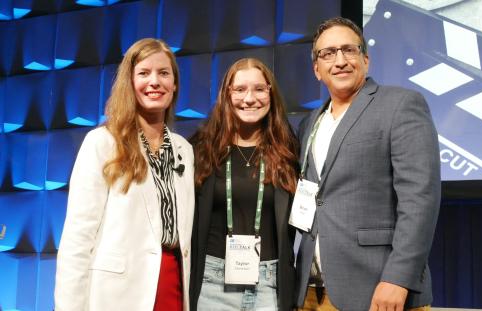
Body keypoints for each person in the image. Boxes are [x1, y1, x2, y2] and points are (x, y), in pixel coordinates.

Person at [293, 17, 441, 311]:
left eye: (349, 50)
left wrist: (399, 279)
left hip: (379, 290)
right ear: (317, 70)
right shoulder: (309, 123)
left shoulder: (400, 105)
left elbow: (419, 199)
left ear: (366, 59)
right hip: (312, 291)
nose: (340, 60)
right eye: (328, 53)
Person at [54, 38, 194, 311]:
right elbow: (77, 239)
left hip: (172, 290)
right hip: (117, 295)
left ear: (175, 84)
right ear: (129, 83)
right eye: (144, 73)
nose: (154, 81)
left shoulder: (184, 150)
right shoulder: (102, 142)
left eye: (164, 73)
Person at [189, 58, 298, 310]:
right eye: (239, 90)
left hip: (269, 287)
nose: (250, 99)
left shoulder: (288, 150)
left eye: (259, 89)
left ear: (271, 94)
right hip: (212, 285)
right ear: (226, 95)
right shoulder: (201, 150)